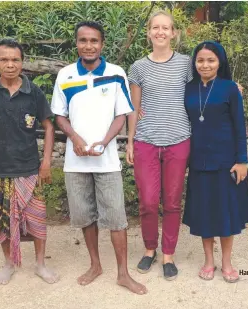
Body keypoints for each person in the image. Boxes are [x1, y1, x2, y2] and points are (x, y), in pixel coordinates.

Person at [52, 21, 147, 295]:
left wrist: (106, 142)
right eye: (83, 40)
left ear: (102, 44)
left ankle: (123, 273)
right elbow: (59, 114)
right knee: (84, 216)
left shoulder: (116, 74)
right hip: (75, 162)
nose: (88, 45)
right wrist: (76, 139)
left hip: (107, 162)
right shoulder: (65, 75)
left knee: (116, 217)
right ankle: (95, 265)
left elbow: (122, 114)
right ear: (77, 44)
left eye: (94, 40)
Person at [0, 38, 58, 285]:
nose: (10, 64)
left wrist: (46, 161)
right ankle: (9, 263)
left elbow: (49, 127)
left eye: (15, 59)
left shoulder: (33, 92)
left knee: (37, 218)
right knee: (0, 219)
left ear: (22, 62)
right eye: (4, 59)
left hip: (28, 167)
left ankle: (40, 264)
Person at [126, 11, 192, 280]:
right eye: (156, 27)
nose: (161, 32)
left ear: (174, 33)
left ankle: (168, 254)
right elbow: (134, 108)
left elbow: (203, 92)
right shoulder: (138, 67)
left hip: (179, 140)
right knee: (149, 202)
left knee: (173, 202)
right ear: (149, 32)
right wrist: (130, 141)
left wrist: (231, 87)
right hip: (146, 141)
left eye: (166, 28)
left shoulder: (187, 64)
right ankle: (150, 249)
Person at [183, 41, 248, 283]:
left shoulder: (230, 88)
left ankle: (226, 262)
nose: (205, 65)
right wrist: (141, 110)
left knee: (226, 212)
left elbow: (240, 127)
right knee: (205, 212)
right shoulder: (188, 88)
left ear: (220, 62)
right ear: (195, 62)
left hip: (226, 160)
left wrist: (242, 160)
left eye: (211, 60)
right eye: (200, 60)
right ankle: (208, 261)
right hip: (199, 159)